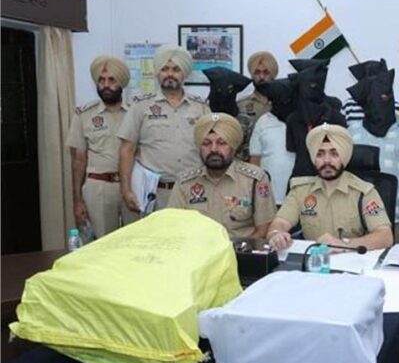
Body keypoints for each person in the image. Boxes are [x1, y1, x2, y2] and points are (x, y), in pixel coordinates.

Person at [117, 44, 210, 220]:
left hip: (193, 191)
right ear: (157, 73)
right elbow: (127, 150)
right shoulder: (141, 106)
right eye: (164, 69)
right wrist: (126, 189)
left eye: (176, 69)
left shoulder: (201, 107)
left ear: (185, 74)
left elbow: (209, 148)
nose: (170, 74)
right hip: (154, 193)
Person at [268, 123, 393, 251]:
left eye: (334, 154)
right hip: (313, 260)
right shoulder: (301, 190)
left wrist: (343, 245)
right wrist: (277, 234)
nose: (327, 160)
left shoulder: (364, 192)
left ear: (343, 157)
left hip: (351, 259)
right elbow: (280, 222)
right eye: (320, 154)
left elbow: (385, 236)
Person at [167, 113, 276, 238]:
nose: (213, 149)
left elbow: (264, 230)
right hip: (197, 248)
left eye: (222, 143)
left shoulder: (254, 179)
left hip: (240, 248)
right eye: (206, 143)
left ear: (233, 148)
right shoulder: (185, 183)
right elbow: (173, 226)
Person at [347, 66, 399, 243]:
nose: (384, 103)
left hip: (398, 213)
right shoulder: (352, 132)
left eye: (388, 98)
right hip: (359, 214)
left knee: (396, 260)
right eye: (379, 99)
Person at [65, 56, 130, 238]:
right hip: (99, 188)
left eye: (111, 80)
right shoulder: (84, 114)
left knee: (135, 242)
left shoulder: (136, 112)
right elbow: (78, 160)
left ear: (121, 83)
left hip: (131, 187)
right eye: (101, 80)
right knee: (103, 244)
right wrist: (77, 201)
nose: (105, 85)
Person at [248, 77, 297, 205]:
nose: (283, 102)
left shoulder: (302, 120)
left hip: (298, 197)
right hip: (269, 197)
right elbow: (255, 159)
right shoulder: (263, 121)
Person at [236, 51, 278, 161]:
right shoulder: (241, 105)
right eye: (257, 72)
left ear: (273, 75)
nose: (261, 77)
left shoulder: (283, 105)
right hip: (247, 162)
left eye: (266, 72)